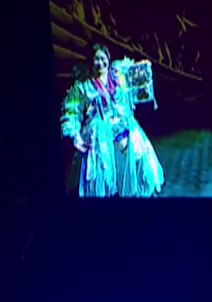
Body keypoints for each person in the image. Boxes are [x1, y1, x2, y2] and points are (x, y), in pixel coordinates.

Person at [61, 44, 164, 197]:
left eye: (103, 59)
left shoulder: (118, 76)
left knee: (138, 155)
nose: (100, 63)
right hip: (99, 133)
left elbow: (137, 84)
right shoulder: (84, 86)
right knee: (103, 171)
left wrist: (144, 72)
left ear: (108, 59)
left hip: (121, 125)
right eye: (96, 59)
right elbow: (72, 111)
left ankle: (140, 192)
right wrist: (75, 133)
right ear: (91, 61)